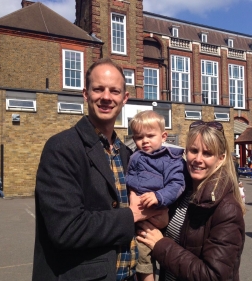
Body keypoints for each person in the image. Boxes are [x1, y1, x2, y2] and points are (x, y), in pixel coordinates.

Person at [32, 58, 166, 281]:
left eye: (114, 91)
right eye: (98, 89)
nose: (106, 97)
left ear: (124, 99)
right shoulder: (62, 148)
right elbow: (66, 229)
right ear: (86, 94)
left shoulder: (127, 154)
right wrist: (132, 215)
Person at [136, 120, 245, 281]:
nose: (198, 159)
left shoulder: (227, 209)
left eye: (207, 153)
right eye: (194, 151)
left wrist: (161, 244)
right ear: (186, 152)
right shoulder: (181, 193)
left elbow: (214, 276)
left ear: (221, 159)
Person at [126, 110, 185, 281]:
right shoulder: (135, 156)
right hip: (137, 209)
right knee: (137, 252)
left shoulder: (171, 159)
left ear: (164, 136)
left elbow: (177, 184)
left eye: (150, 136)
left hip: (156, 209)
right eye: (138, 137)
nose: (144, 141)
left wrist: (159, 196)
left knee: (143, 252)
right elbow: (128, 178)